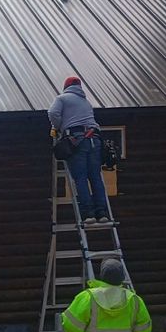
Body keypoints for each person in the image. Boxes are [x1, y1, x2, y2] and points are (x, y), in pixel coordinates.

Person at [48, 76, 109, 223]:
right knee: (95, 177)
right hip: (94, 139)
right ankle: (102, 213)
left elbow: (52, 113)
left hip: (76, 140)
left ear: (66, 86)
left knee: (80, 178)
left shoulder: (62, 99)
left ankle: (88, 214)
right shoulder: (86, 102)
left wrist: (57, 127)